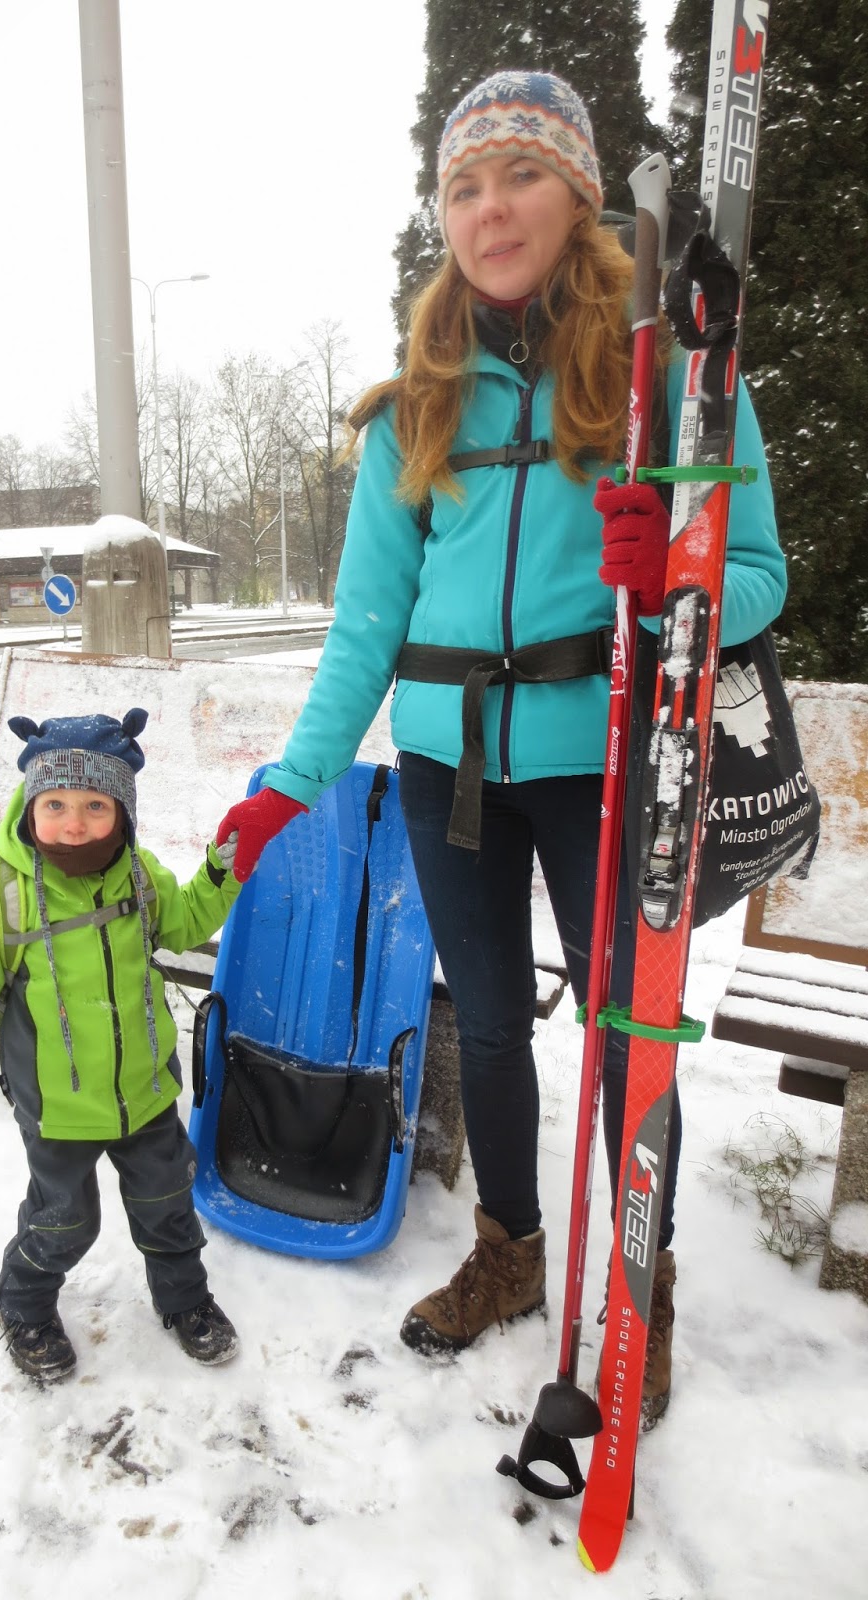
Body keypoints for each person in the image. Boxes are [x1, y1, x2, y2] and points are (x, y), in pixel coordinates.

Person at [217, 72, 786, 1427]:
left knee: (623, 1035)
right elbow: (366, 629)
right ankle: (512, 1254)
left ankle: (635, 1290)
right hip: (448, 772)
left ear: (580, 197)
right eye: (463, 188)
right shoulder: (414, 406)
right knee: (490, 1032)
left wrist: (680, 579)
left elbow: (759, 576)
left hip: (607, 775)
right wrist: (291, 784)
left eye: (519, 175)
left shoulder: (674, 368)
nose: (490, 208)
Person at [0, 707, 242, 1382]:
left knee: (166, 1205)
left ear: (123, 810)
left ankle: (184, 1302)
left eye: (95, 804)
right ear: (30, 807)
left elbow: (185, 922)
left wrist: (220, 872)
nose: (74, 821)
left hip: (145, 1092)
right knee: (64, 1220)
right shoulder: (9, 895)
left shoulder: (139, 876)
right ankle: (22, 1302)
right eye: (55, 803)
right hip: (57, 1107)